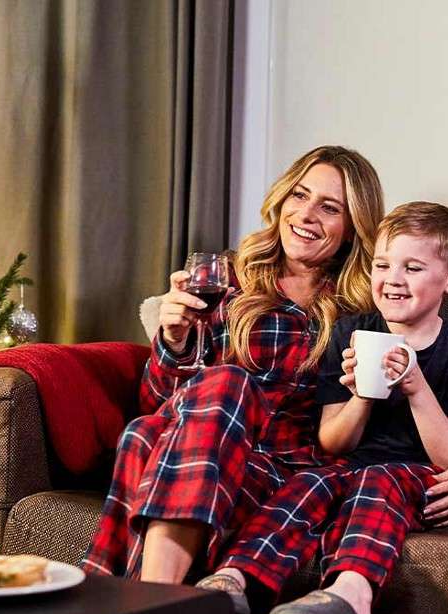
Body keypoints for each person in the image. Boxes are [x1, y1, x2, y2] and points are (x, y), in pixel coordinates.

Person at [198, 202, 448, 614]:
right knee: (311, 480)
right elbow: (331, 442)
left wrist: (416, 387)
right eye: (382, 264)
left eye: (412, 267)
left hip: (414, 475)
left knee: (381, 478)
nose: (393, 278)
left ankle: (351, 595)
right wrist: (364, 395)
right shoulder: (351, 333)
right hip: (346, 465)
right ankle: (234, 580)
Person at [82, 145, 387, 583]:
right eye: (299, 196)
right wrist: (174, 340)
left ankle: (124, 600)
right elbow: (157, 403)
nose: (306, 215)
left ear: (352, 226)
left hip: (283, 468)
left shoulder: (361, 304)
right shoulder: (228, 279)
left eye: (329, 207)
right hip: (205, 454)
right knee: (154, 424)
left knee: (152, 431)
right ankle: (153, 608)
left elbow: (430, 256)